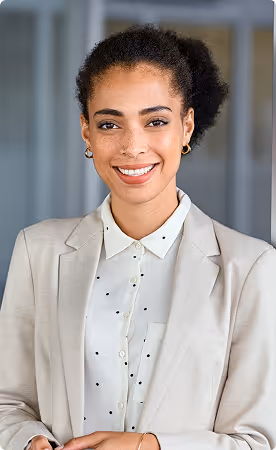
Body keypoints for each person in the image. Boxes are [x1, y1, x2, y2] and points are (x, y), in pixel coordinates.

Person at [0, 23, 276, 450]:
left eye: (156, 121)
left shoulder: (251, 267)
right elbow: (7, 401)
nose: (133, 146)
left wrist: (149, 445)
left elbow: (256, 441)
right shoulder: (38, 252)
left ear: (186, 127)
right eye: (110, 125)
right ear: (86, 131)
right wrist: (30, 441)